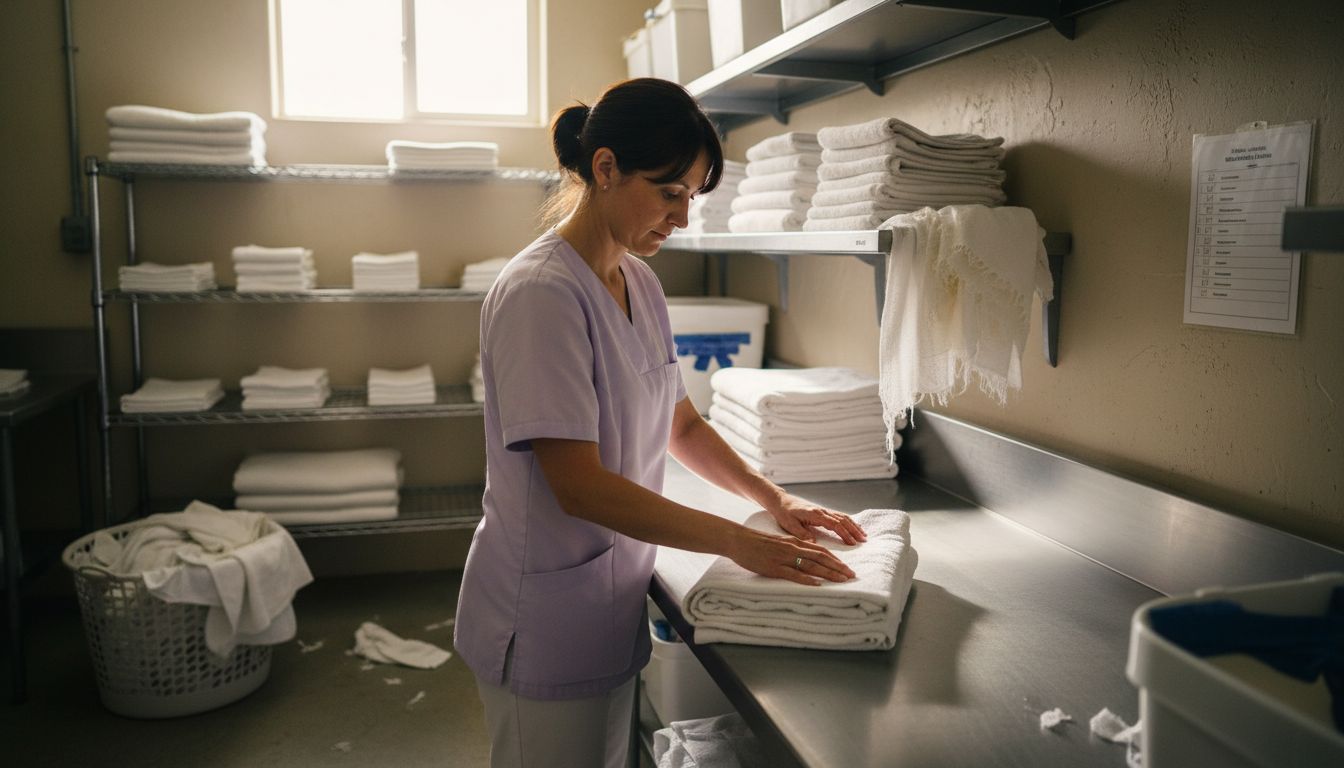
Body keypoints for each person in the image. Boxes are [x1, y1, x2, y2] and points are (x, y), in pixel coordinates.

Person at [453, 78, 866, 768]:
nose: (682, 219)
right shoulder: (540, 295)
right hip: (543, 614)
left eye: (692, 198)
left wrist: (776, 500)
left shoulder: (638, 279)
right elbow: (579, 488)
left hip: (605, 602)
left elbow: (684, 426)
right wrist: (740, 543)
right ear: (606, 168)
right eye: (669, 192)